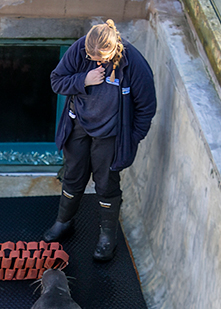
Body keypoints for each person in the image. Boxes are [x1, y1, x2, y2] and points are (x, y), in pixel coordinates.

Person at [45, 19, 156, 261]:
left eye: (101, 58)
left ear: (114, 50)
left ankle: (107, 237)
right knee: (73, 175)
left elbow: (146, 107)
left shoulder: (133, 62)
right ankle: (63, 222)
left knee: (106, 184)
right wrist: (84, 79)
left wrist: (132, 139)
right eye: (90, 55)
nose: (95, 61)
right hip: (79, 125)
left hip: (111, 134)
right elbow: (56, 81)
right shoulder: (79, 49)